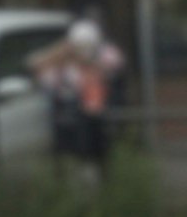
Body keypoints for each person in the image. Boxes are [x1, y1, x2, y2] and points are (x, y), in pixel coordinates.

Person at [32, 17, 125, 164]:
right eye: (80, 46)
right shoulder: (65, 69)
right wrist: (59, 53)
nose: (84, 51)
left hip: (97, 126)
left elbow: (113, 64)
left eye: (88, 46)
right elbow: (35, 65)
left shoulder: (105, 57)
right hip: (69, 127)